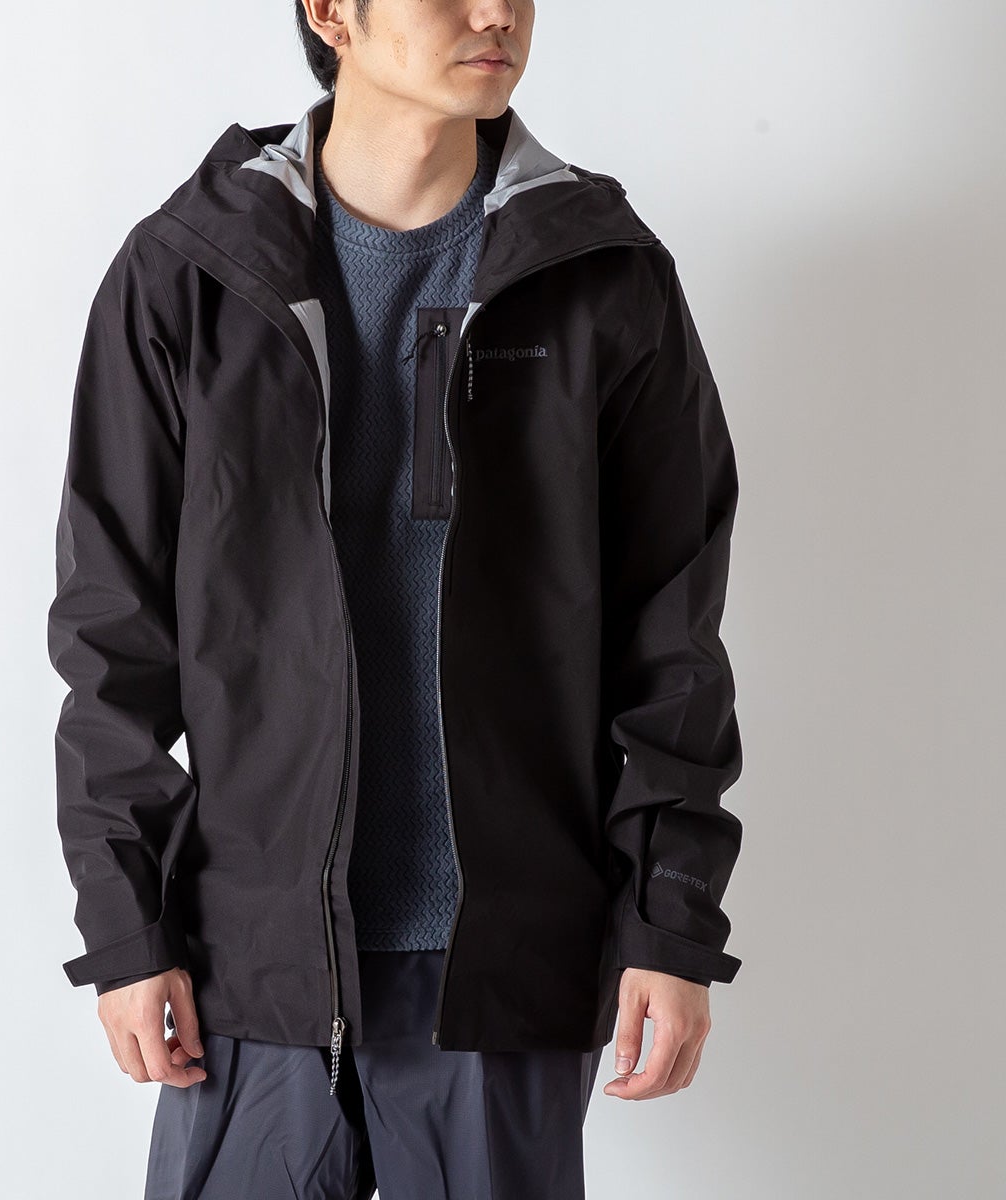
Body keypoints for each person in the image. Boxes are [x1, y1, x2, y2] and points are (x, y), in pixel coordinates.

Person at [46, 1, 745, 1196]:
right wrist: (126, 926)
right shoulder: (188, 274)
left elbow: (672, 637)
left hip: (500, 965)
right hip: (250, 967)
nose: (497, 13)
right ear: (332, 12)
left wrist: (671, 920)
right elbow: (113, 633)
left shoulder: (603, 276)